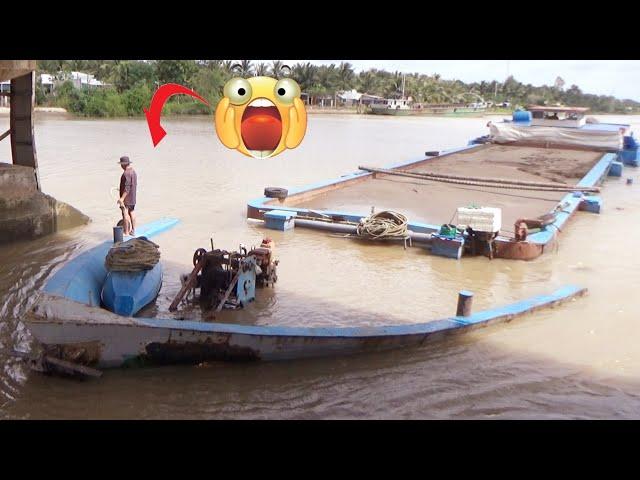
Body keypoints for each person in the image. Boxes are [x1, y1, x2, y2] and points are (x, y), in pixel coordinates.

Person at [117, 156, 137, 236]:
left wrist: (122, 198)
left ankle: (126, 232)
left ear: (123, 164)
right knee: (132, 212)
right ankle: (133, 230)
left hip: (127, 198)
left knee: (125, 213)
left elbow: (127, 187)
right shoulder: (133, 171)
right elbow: (131, 185)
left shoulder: (126, 173)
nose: (121, 166)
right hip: (132, 197)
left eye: (121, 164)